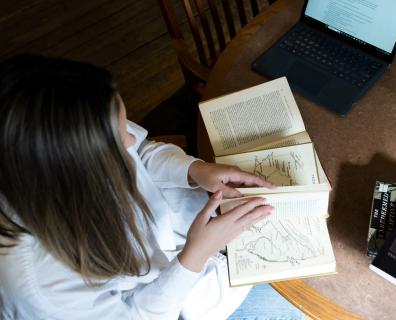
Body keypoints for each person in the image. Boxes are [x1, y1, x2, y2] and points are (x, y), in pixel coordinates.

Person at [0, 54, 305, 320]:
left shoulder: (67, 140)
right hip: (171, 301)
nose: (132, 140)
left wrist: (196, 169)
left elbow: (142, 151)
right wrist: (195, 256)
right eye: (120, 142)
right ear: (74, 171)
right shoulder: (41, 288)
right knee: (301, 302)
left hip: (176, 239)